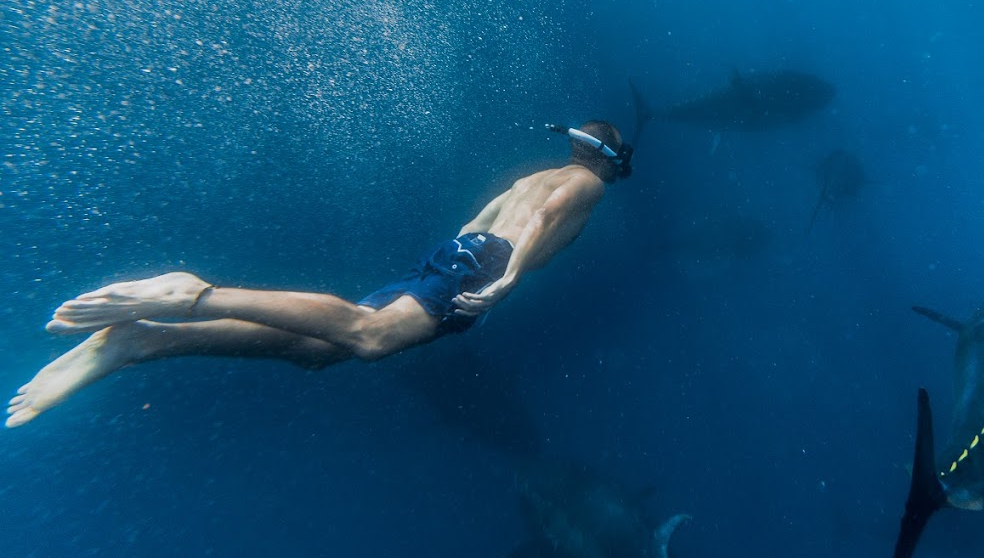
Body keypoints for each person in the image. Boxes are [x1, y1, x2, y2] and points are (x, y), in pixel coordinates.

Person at [6, 120, 632, 428]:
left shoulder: (535, 174)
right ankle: (194, 295)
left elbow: (482, 218)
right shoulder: (585, 186)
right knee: (370, 336)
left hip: (459, 254)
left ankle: (142, 340)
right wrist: (509, 278)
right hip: (483, 267)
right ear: (609, 161)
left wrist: (460, 266)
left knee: (319, 350)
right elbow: (548, 218)